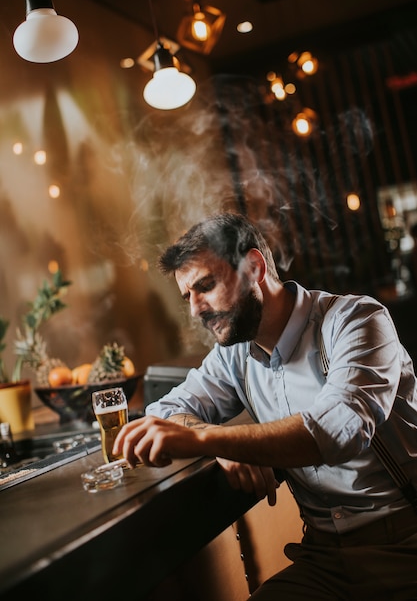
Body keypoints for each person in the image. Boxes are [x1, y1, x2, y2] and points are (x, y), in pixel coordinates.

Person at [113, 212, 417, 600]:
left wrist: (211, 442)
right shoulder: (235, 356)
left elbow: (339, 429)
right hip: (323, 559)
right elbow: (163, 409)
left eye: (205, 286)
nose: (195, 309)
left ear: (254, 267)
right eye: (187, 295)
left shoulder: (356, 321)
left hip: (405, 545)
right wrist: (212, 435)